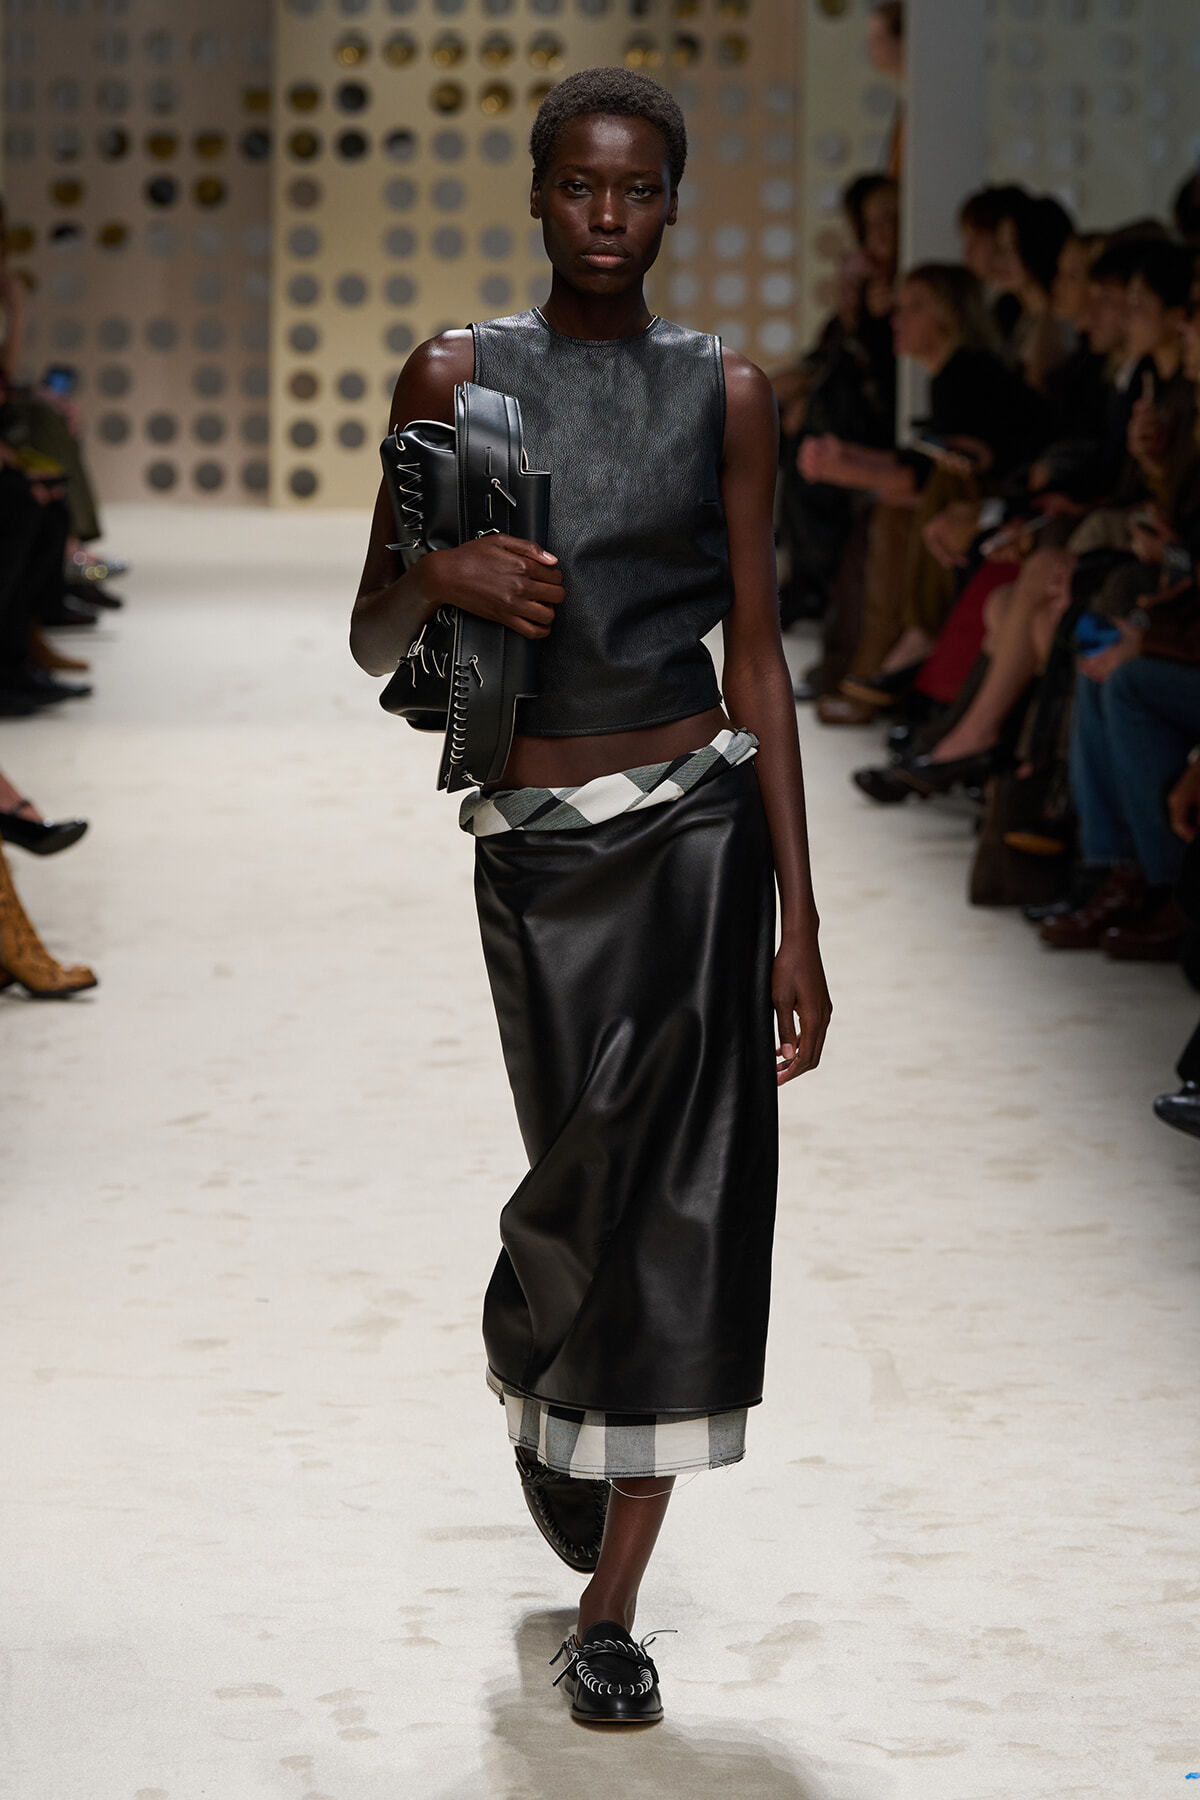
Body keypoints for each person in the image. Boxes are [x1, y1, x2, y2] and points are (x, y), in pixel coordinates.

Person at [350, 68, 831, 1727]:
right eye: (579, 187)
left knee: (686, 1213)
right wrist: (438, 570)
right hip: (540, 842)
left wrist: (802, 919)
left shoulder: (730, 393)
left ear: (672, 204)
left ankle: (611, 1609)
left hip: (698, 832)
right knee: (576, 1183)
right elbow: (369, 642)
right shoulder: (457, 377)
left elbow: (758, 657)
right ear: (539, 192)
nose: (607, 218)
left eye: (636, 191)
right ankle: (530, 1343)